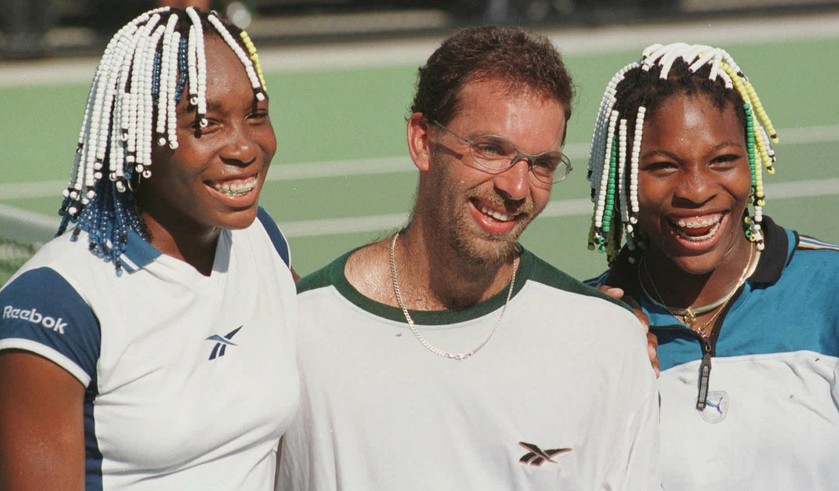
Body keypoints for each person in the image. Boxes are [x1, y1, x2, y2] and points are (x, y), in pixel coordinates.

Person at [277, 26, 660, 490]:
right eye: (491, 150)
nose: (517, 188)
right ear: (422, 141)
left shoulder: (608, 342)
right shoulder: (296, 334)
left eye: (541, 164)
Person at [0, 7, 299, 490]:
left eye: (256, 115)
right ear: (135, 135)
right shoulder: (56, 303)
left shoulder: (261, 240)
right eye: (205, 124)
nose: (245, 148)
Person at [585, 42, 839, 490]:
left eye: (722, 160)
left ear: (752, 162)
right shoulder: (590, 327)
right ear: (621, 178)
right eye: (662, 166)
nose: (697, 190)